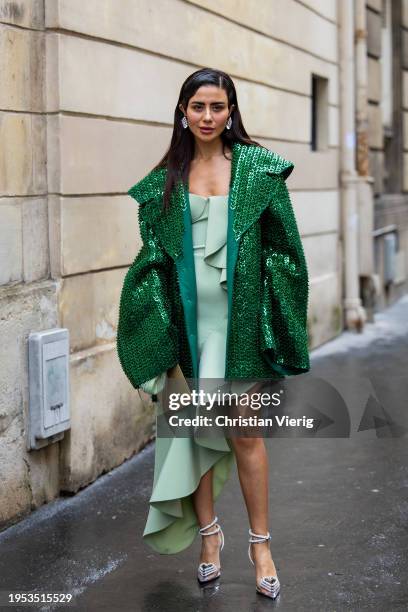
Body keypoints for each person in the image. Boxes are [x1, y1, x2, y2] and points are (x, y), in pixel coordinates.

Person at [116, 67, 310, 600]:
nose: (207, 117)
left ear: (231, 111)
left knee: (245, 434)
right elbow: (150, 262)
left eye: (217, 107)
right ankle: (209, 538)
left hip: (239, 328)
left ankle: (261, 545)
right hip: (185, 330)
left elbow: (287, 252)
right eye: (197, 107)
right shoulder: (164, 183)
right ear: (183, 111)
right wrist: (151, 329)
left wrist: (273, 317)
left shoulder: (258, 171)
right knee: (192, 437)